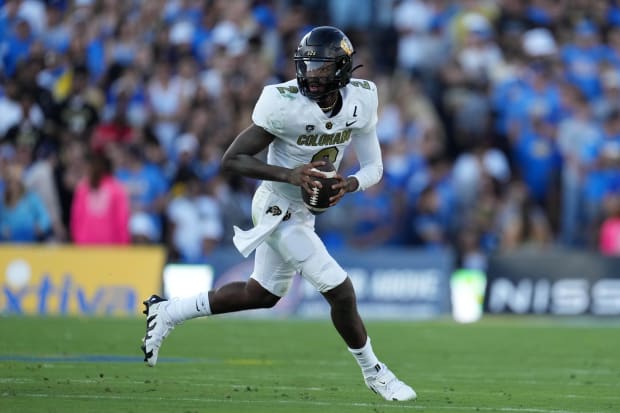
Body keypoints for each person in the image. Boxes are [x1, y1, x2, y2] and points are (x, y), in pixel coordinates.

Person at [140, 26, 416, 402]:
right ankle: (375, 371)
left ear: (341, 68)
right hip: (275, 205)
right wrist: (291, 175)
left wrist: (345, 185)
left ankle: (169, 311)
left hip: (305, 210)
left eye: (321, 66)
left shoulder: (361, 100)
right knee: (341, 291)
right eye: (307, 65)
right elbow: (232, 159)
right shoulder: (282, 102)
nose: (311, 74)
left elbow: (373, 169)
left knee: (263, 294)